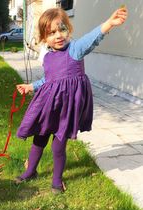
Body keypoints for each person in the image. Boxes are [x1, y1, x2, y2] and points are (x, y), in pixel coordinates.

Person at [15, 6, 128, 193]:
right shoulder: (48, 57)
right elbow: (48, 79)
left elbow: (91, 38)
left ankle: (57, 181)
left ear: (69, 30)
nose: (58, 35)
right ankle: (30, 171)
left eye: (62, 29)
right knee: (39, 139)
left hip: (65, 110)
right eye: (51, 33)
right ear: (44, 38)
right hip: (47, 107)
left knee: (58, 145)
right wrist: (31, 87)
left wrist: (109, 24)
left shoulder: (75, 50)